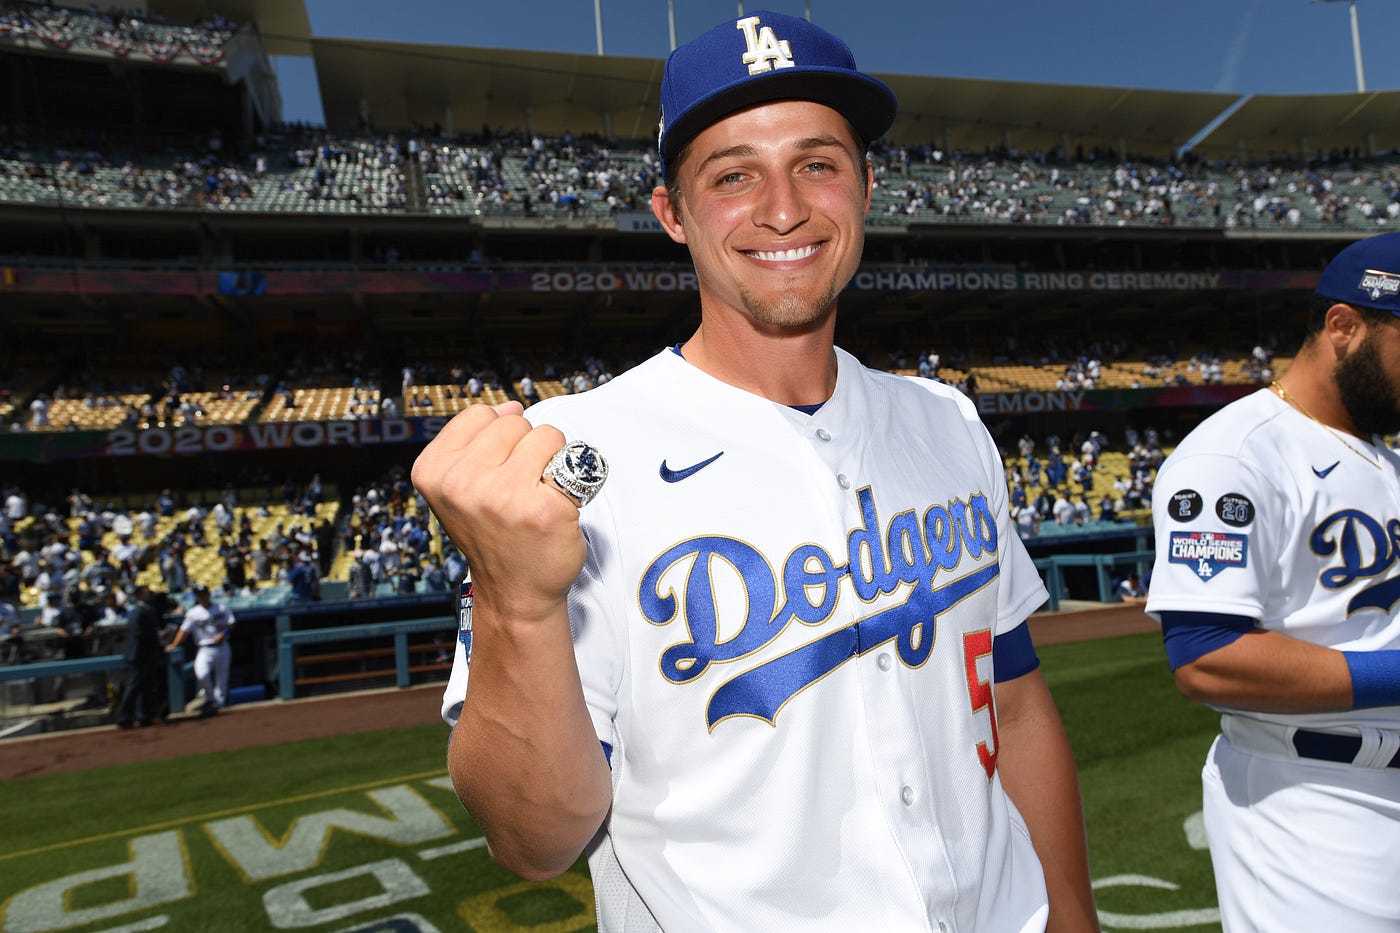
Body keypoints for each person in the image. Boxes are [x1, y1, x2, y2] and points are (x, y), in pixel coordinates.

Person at [414, 12, 1097, 932]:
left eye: (818, 163)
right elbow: (532, 842)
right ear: (672, 213)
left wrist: (1073, 915)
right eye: (732, 175)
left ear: (865, 185)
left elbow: (1013, 703)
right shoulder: (571, 455)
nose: (784, 207)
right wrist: (514, 605)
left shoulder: (949, 421)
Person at [1146, 231, 1400, 932]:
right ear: (1344, 328)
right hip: (1316, 799)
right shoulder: (1235, 454)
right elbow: (1206, 657)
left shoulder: (1384, 457)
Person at [167, 584, 235, 715]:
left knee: (222, 679)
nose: (201, 596)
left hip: (223, 647)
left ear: (208, 594)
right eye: (199, 594)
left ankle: (219, 706)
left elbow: (232, 623)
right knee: (201, 674)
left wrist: (224, 633)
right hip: (205, 648)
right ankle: (211, 698)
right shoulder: (193, 613)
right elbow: (184, 630)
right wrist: (174, 644)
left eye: (203, 593)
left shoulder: (221, 608)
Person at [113, 585, 164, 728]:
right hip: (139, 655)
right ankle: (124, 717)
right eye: (147, 593)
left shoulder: (146, 610)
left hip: (146, 655)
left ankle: (144, 715)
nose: (150, 595)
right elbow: (138, 634)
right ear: (141, 595)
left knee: (146, 686)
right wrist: (157, 636)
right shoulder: (138, 612)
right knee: (134, 686)